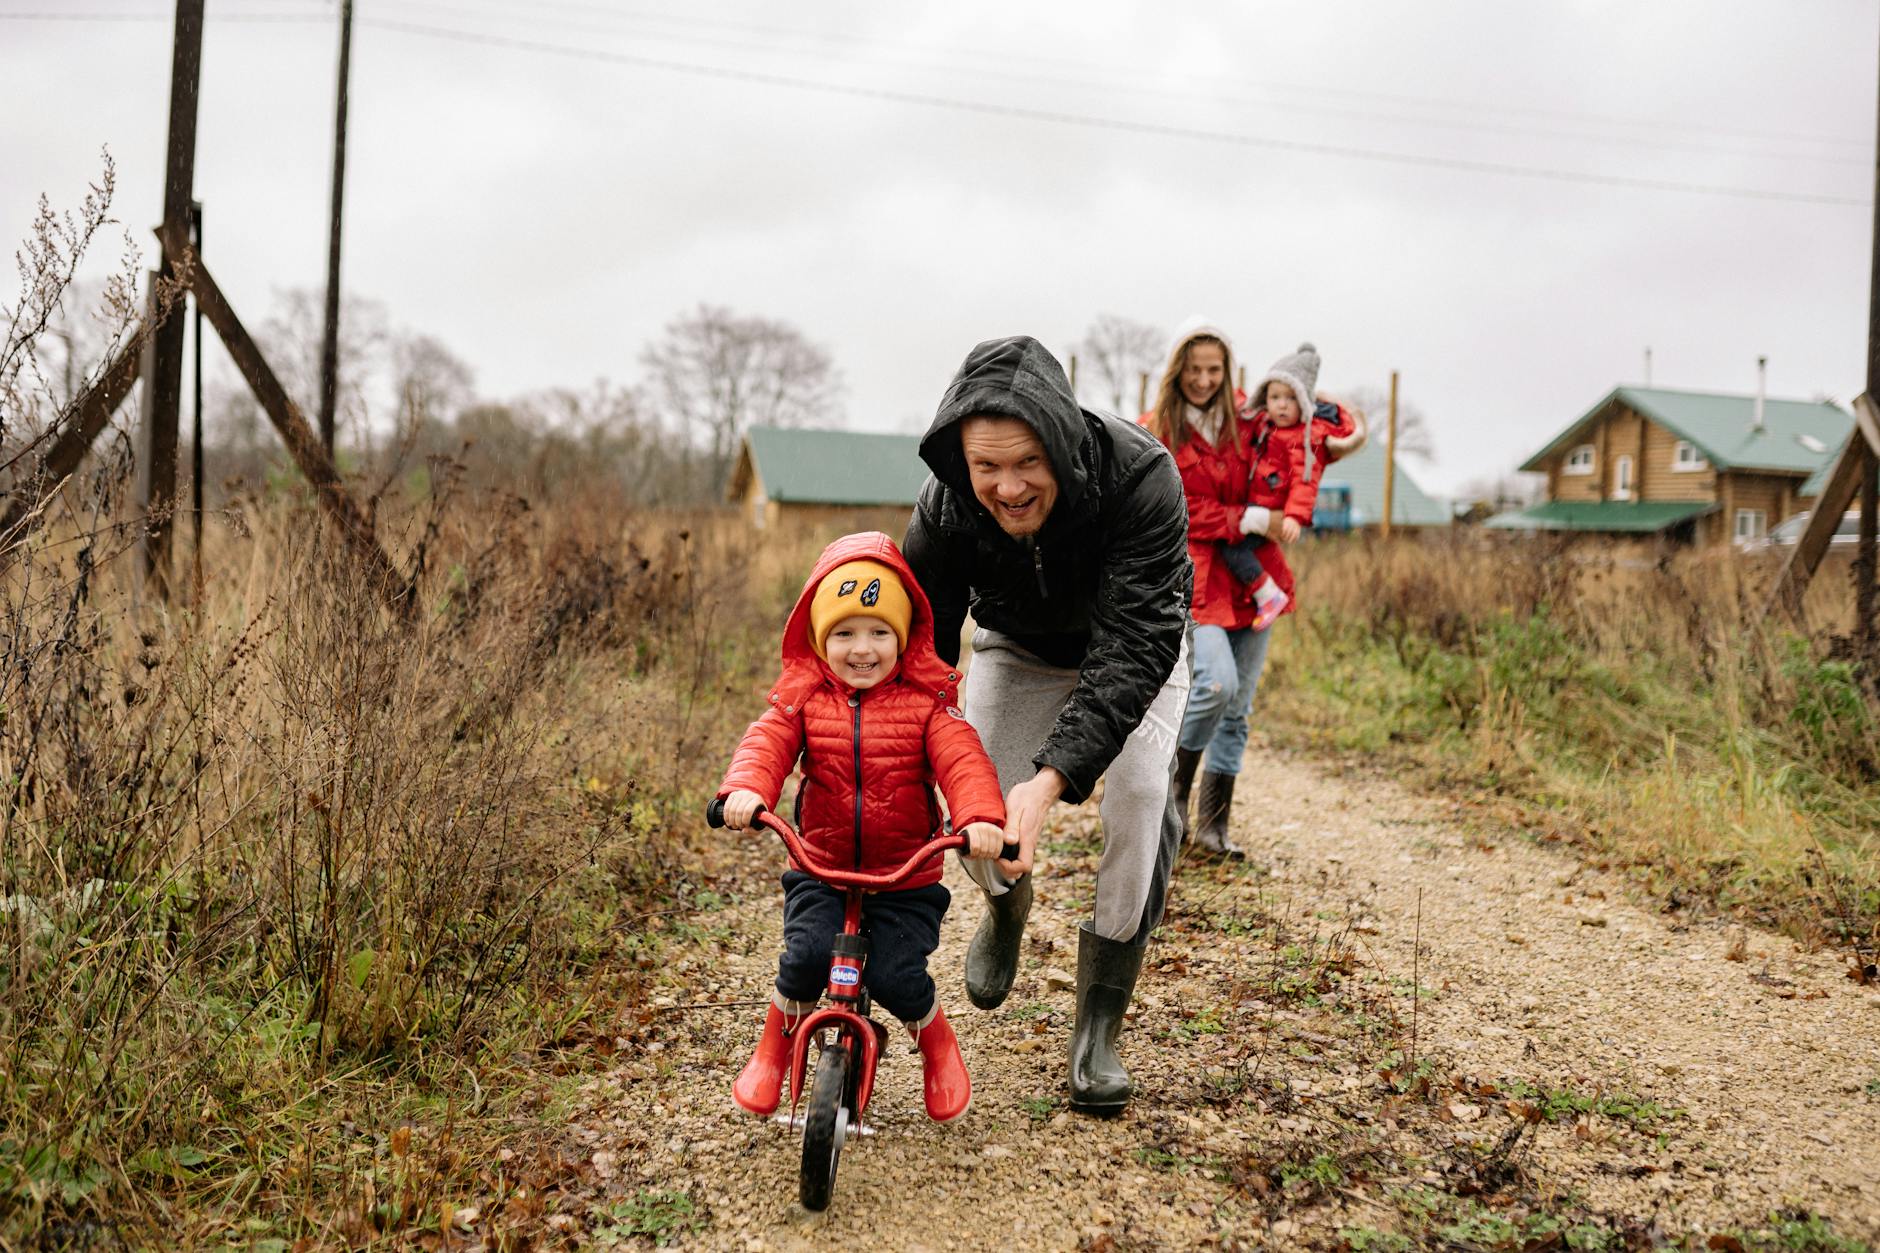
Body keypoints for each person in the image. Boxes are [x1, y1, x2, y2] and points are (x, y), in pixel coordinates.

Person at [904, 334, 1191, 1117]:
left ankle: (1100, 1022)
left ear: (1060, 442)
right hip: (1018, 647)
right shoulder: (947, 504)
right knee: (975, 798)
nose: (1008, 486)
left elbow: (1135, 647)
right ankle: (1004, 906)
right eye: (986, 466)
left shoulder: (1141, 479)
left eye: (1027, 462)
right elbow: (922, 650)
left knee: (1136, 792)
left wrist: (1052, 777)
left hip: (1134, 648)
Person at [715, 531, 1008, 1124]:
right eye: (844, 633)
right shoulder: (804, 701)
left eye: (879, 632)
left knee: (899, 975)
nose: (862, 648)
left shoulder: (928, 704)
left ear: (903, 637)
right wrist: (745, 791)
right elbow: (766, 743)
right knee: (803, 958)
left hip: (904, 875)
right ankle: (773, 1047)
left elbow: (963, 759)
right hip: (821, 866)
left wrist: (978, 819)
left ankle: (936, 1045)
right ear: (821, 641)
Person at [1146, 326, 1363, 858]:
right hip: (1197, 578)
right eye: (1194, 369)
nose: (1203, 380)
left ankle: (1214, 825)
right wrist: (1251, 516)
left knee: (1239, 706)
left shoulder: (1249, 416)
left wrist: (1337, 412)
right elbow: (1176, 509)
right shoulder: (1157, 430)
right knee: (1214, 685)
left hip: (1257, 577)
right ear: (1179, 370)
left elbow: (1314, 433)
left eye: (1213, 370)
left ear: (1227, 372)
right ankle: (1169, 796)